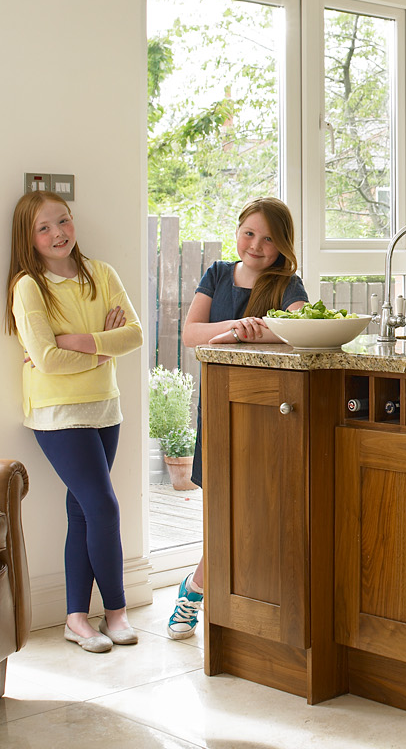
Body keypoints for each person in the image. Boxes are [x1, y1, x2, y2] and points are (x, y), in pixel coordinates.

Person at [6, 191, 144, 653]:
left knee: (83, 512)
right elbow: (45, 359)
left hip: (105, 406)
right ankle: (118, 612)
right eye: (44, 228)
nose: (57, 233)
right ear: (29, 238)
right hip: (58, 413)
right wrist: (103, 348)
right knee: (103, 506)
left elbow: (135, 334)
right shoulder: (28, 286)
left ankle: (75, 619)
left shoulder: (101, 273)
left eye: (62, 221)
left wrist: (81, 341)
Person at [167, 196, 309, 640]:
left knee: (254, 509)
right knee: (221, 510)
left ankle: (198, 590)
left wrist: (261, 330)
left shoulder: (288, 283)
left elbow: (299, 328)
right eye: (249, 233)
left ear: (283, 244)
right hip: (218, 406)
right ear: (237, 232)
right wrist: (236, 330)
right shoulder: (217, 275)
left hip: (269, 409)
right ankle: (198, 591)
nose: (257, 245)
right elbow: (192, 333)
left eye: (269, 238)